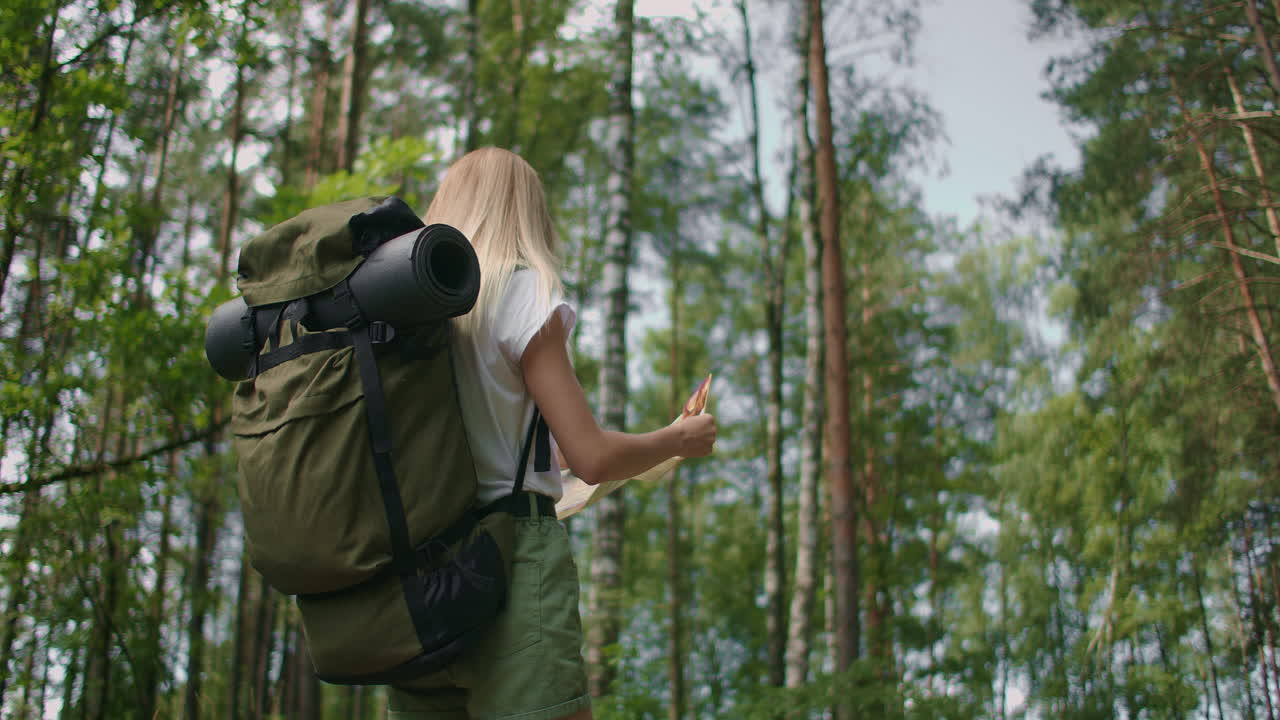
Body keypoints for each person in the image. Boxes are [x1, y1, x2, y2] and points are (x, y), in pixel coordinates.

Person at [387, 147, 717, 720]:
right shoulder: (519, 292)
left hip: (420, 578)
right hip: (512, 563)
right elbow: (589, 456)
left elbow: (531, 447)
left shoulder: (412, 313)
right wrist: (677, 440)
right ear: (524, 211)